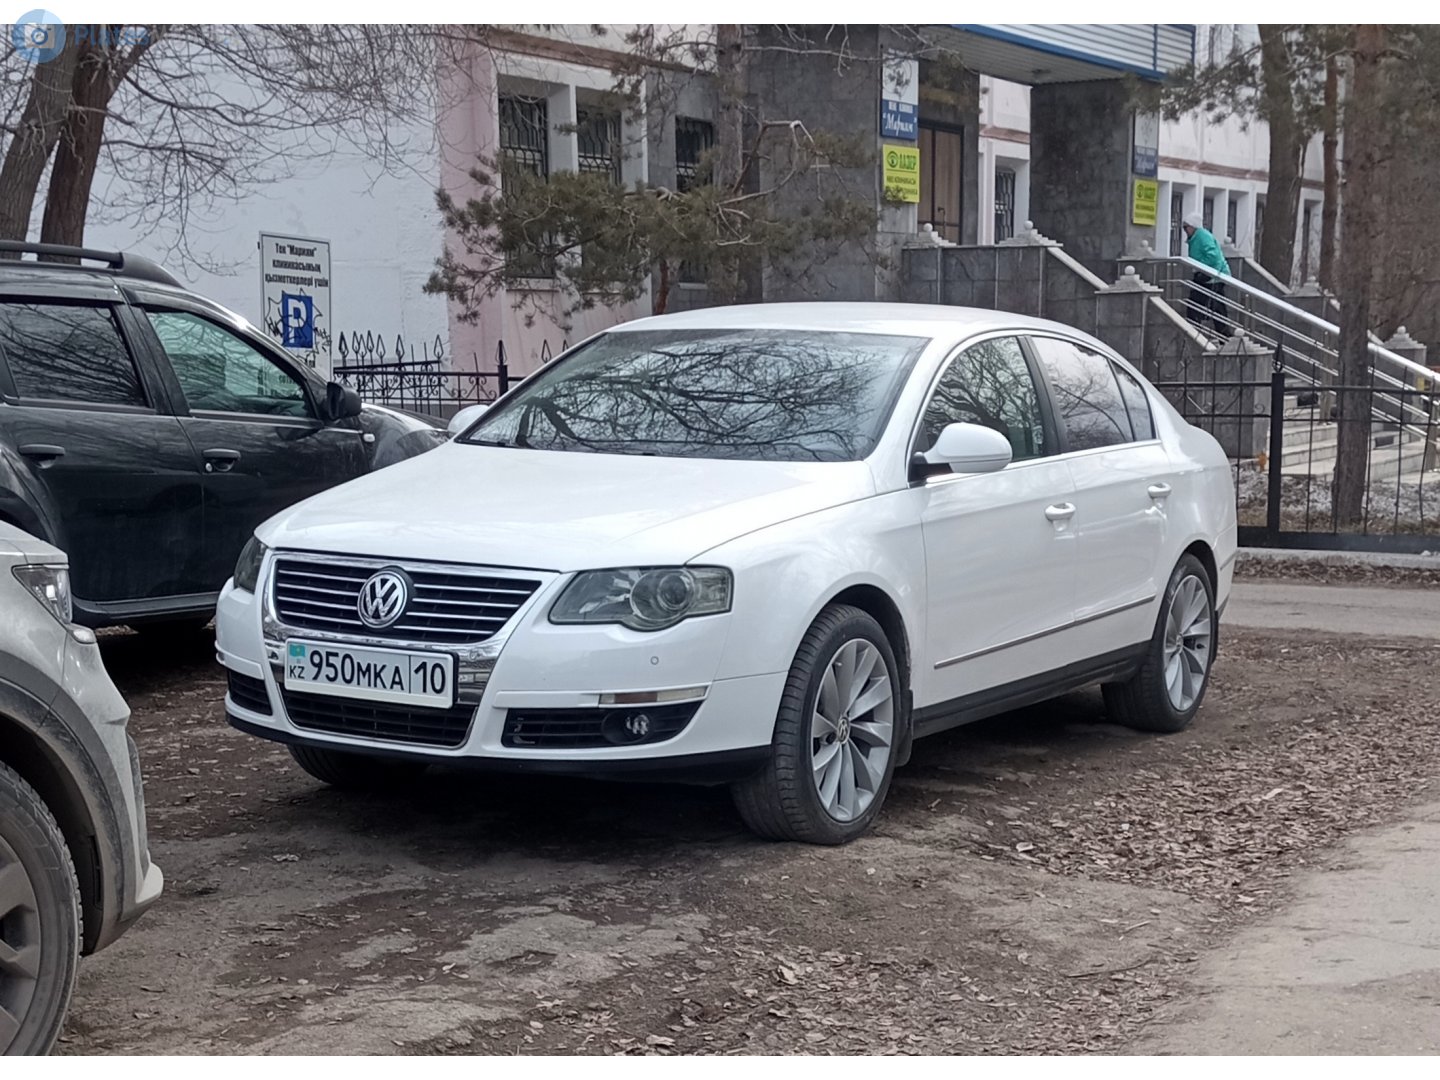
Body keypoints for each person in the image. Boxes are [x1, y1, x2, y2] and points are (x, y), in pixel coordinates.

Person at [1182, 211, 1230, 335]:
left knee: (1203, 303)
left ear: (1193, 226)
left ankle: (1195, 329)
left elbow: (1213, 256)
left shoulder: (1202, 236)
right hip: (1211, 275)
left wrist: (1199, 266)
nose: (1185, 230)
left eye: (1186, 227)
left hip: (1212, 276)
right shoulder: (1197, 237)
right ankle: (1223, 334)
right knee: (1215, 305)